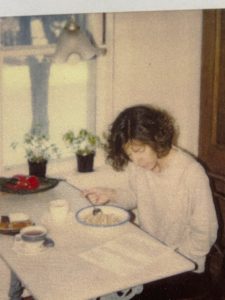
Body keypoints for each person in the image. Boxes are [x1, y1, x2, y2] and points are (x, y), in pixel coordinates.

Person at [83, 104, 218, 299]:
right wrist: (111, 194)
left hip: (185, 267)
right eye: (130, 154)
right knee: (99, 277)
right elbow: (136, 197)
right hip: (151, 253)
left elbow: (205, 234)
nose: (136, 160)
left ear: (156, 139)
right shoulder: (139, 166)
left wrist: (171, 259)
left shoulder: (191, 173)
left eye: (139, 151)